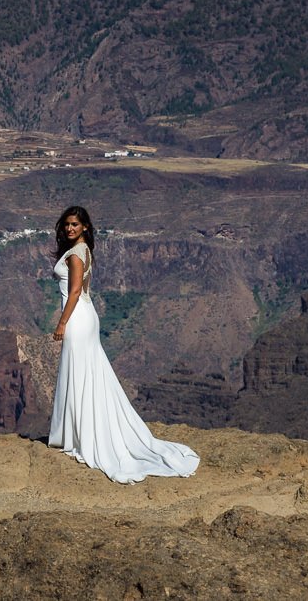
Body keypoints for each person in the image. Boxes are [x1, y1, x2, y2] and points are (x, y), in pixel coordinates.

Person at [47, 205, 197, 483]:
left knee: (79, 374)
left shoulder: (77, 255)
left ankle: (81, 436)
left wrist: (61, 323)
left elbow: (76, 290)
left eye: (75, 225)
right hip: (85, 316)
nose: (69, 229)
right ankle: (80, 432)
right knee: (84, 374)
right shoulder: (84, 250)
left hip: (77, 318)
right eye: (66, 224)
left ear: (85, 228)